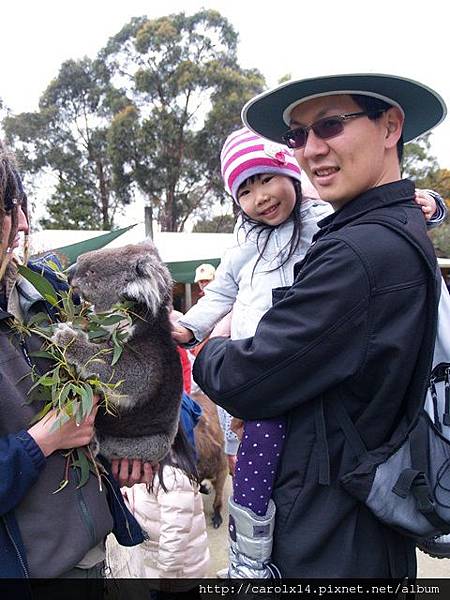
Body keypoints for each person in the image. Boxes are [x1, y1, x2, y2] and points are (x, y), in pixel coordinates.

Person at [192, 73, 446, 578]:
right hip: (357, 515)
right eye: (297, 135)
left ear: (390, 126)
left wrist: (212, 348)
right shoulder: (388, 228)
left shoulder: (357, 253)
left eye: (330, 125)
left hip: (330, 528)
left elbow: (246, 381)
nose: (312, 149)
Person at [0, 144, 146, 583]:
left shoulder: (42, 290)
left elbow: (113, 369)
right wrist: (41, 440)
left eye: (23, 206)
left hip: (92, 552)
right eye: (10, 207)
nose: (23, 223)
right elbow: (51, 431)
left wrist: (132, 437)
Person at [106, 427, 209, 596]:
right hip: (156, 567)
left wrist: (168, 576)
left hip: (178, 575)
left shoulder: (172, 477)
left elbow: (175, 534)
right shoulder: (142, 467)